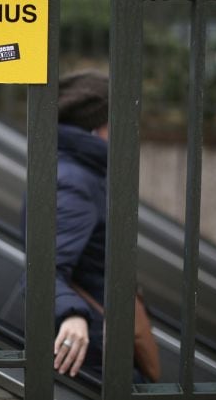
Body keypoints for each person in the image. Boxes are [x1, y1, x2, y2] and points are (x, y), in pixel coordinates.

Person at [50, 69, 161, 382]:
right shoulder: (73, 182)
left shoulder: (80, 171)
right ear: (96, 127)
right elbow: (44, 267)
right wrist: (72, 314)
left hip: (99, 336)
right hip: (94, 347)